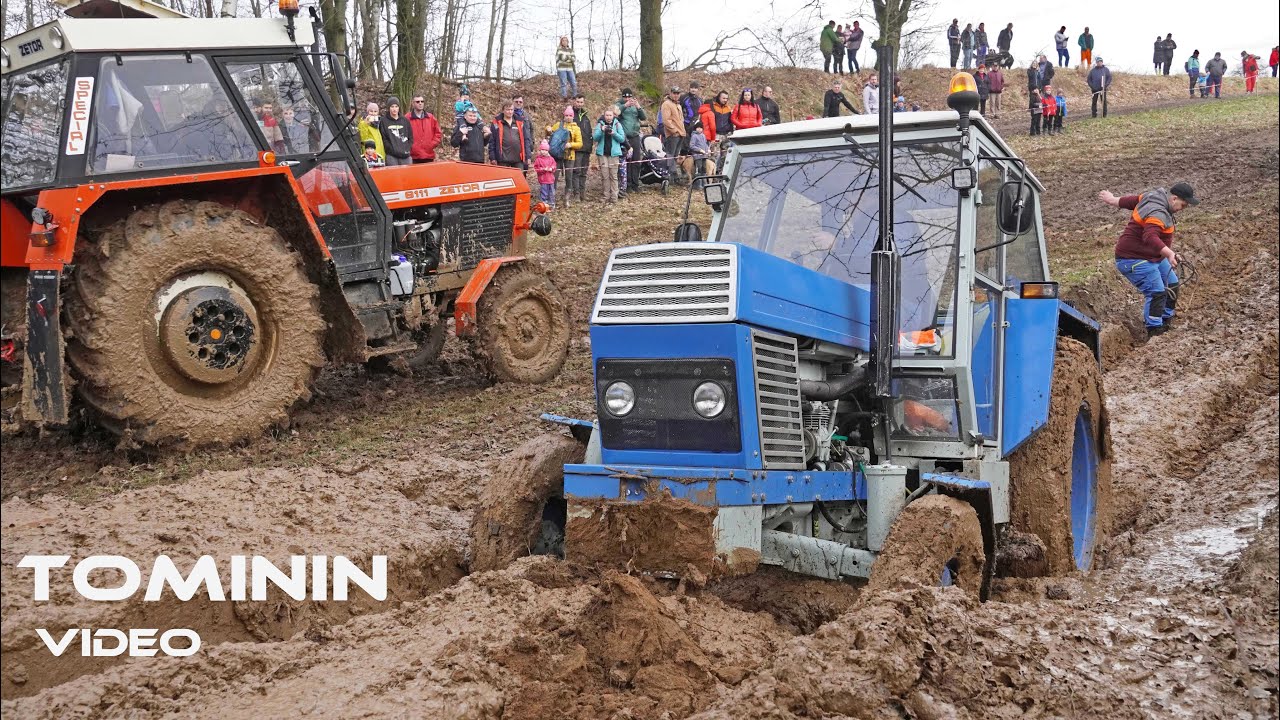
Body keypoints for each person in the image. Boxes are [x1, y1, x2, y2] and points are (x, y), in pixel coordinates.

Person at [1098, 183, 1199, 337]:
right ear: (1174, 198)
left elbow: (1130, 201)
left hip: (1153, 256)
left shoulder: (1153, 196)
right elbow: (1150, 236)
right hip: (1133, 258)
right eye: (1183, 205)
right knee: (1157, 292)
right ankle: (1155, 330)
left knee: (1172, 283)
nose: (1182, 209)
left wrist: (1112, 199)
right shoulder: (1157, 213)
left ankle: (1166, 319)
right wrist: (1169, 254)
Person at [546, 106, 583, 207]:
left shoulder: (576, 128)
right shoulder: (558, 125)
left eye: (570, 115)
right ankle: (552, 198)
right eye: (566, 115)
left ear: (573, 116)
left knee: (569, 177)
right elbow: (549, 134)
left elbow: (580, 143)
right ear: (564, 115)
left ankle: (567, 198)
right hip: (557, 155)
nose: (568, 117)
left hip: (570, 156)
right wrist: (548, 129)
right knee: (554, 177)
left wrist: (571, 145)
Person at [614, 88, 647, 193]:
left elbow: (643, 117)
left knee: (636, 160)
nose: (627, 99)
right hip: (625, 137)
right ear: (622, 97)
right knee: (626, 161)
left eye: (629, 97)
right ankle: (627, 184)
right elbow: (615, 113)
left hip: (635, 136)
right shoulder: (619, 104)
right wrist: (625, 105)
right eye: (625, 97)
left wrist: (638, 107)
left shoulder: (635, 106)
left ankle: (635, 183)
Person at [593, 108, 626, 203]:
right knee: (605, 176)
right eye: (606, 115)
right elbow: (595, 138)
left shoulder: (617, 124)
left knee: (614, 176)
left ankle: (614, 196)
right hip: (602, 154)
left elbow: (622, 139)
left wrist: (614, 133)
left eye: (610, 115)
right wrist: (601, 130)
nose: (608, 117)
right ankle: (605, 196)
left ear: (613, 116)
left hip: (614, 154)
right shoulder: (600, 124)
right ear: (604, 115)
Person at [489, 101, 527, 169]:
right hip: (503, 158)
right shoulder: (496, 122)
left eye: (511, 110)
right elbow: (492, 141)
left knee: (518, 178)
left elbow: (526, 139)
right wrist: (492, 157)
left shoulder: (520, 122)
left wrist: (528, 156)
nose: (510, 112)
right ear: (503, 110)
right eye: (507, 110)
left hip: (518, 158)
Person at [570, 94, 593, 201]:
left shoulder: (585, 116)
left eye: (581, 102)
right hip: (576, 149)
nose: (579, 104)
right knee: (576, 171)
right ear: (574, 101)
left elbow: (589, 132)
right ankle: (576, 194)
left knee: (584, 172)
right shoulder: (570, 115)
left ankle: (583, 193)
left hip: (586, 149)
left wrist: (590, 146)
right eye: (578, 102)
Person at [660, 87, 687, 179]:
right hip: (673, 134)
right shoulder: (666, 104)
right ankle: (670, 175)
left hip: (680, 134)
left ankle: (674, 175)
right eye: (674, 93)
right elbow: (666, 120)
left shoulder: (678, 105)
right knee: (670, 155)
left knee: (675, 155)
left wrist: (682, 132)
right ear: (670, 93)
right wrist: (674, 131)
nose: (676, 95)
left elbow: (681, 120)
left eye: (678, 93)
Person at [406, 96, 442, 164]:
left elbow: (438, 133)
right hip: (413, 156)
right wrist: (410, 147)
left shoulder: (430, 117)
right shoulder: (407, 118)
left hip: (428, 155)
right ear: (413, 103)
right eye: (417, 102)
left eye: (422, 101)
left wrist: (431, 145)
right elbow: (403, 135)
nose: (420, 103)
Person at [381, 97, 414, 166]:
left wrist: (407, 148)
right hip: (392, 156)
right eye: (392, 106)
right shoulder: (384, 121)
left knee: (407, 175)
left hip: (405, 155)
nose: (394, 109)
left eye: (396, 106)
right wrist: (391, 150)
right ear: (389, 108)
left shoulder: (405, 121)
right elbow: (384, 139)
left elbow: (410, 137)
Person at [511, 95, 535, 169]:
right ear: (512, 102)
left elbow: (531, 129)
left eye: (520, 102)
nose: (518, 103)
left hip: (526, 147)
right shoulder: (509, 114)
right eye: (516, 101)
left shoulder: (526, 116)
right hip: (514, 147)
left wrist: (532, 144)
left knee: (524, 170)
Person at [533, 141, 558, 208]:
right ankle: (543, 205)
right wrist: (543, 169)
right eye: (542, 150)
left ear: (548, 151)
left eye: (545, 150)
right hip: (543, 180)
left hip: (551, 179)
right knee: (544, 192)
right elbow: (536, 168)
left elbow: (554, 166)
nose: (543, 151)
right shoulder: (538, 160)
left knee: (551, 192)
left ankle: (551, 204)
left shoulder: (551, 159)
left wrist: (552, 168)